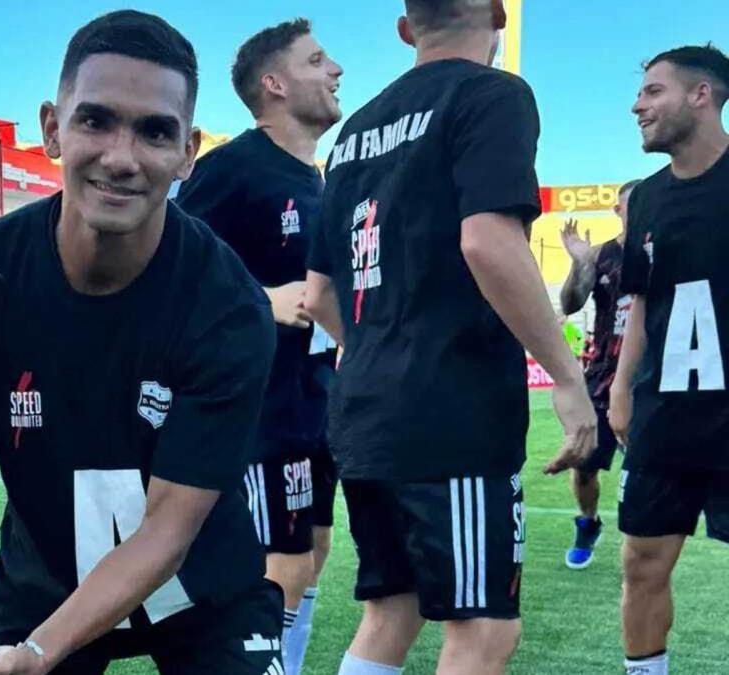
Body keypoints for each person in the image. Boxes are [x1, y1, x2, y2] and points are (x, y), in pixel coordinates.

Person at [0, 11, 283, 675]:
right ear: (53, 128)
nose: (121, 155)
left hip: (203, 591)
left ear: (187, 152)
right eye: (96, 120)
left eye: (154, 131)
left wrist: (42, 650)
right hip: (42, 586)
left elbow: (167, 533)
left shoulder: (227, 306)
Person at [302, 2, 596, 673]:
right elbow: (488, 241)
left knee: (391, 613)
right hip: (451, 409)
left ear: (407, 29)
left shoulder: (354, 131)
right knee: (483, 629)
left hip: (364, 404)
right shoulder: (492, 93)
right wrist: (569, 377)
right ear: (496, 16)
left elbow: (319, 295)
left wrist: (382, 350)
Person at [173, 18, 342, 675]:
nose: (336, 71)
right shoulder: (235, 167)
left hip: (315, 399)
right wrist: (260, 297)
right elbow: (169, 253)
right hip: (261, 409)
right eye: (317, 59)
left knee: (315, 549)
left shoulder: (317, 179)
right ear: (274, 84)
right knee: (283, 562)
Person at [608, 44, 729, 675]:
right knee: (642, 562)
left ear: (701, 95)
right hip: (667, 410)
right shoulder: (647, 199)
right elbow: (640, 303)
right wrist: (623, 388)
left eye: (654, 91)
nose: (638, 105)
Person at [556, 181, 641, 569]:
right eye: (628, 207)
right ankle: (588, 523)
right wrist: (580, 264)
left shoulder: (667, 250)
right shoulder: (602, 255)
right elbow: (571, 303)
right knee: (584, 460)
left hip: (650, 378)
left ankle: (644, 545)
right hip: (604, 375)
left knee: (646, 468)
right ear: (617, 212)